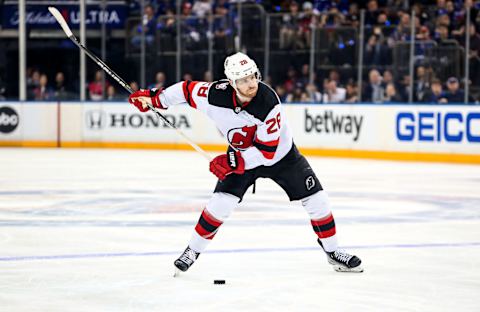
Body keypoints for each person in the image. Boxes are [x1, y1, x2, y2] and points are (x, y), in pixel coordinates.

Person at [128, 52, 363, 274]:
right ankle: (192, 250)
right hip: (241, 156)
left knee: (318, 200)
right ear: (231, 82)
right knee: (219, 203)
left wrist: (232, 161)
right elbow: (186, 90)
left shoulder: (268, 102)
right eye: (243, 79)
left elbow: (267, 153)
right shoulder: (214, 95)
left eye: (253, 76)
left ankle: (333, 252)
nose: (251, 83)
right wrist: (155, 99)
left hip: (281, 157)